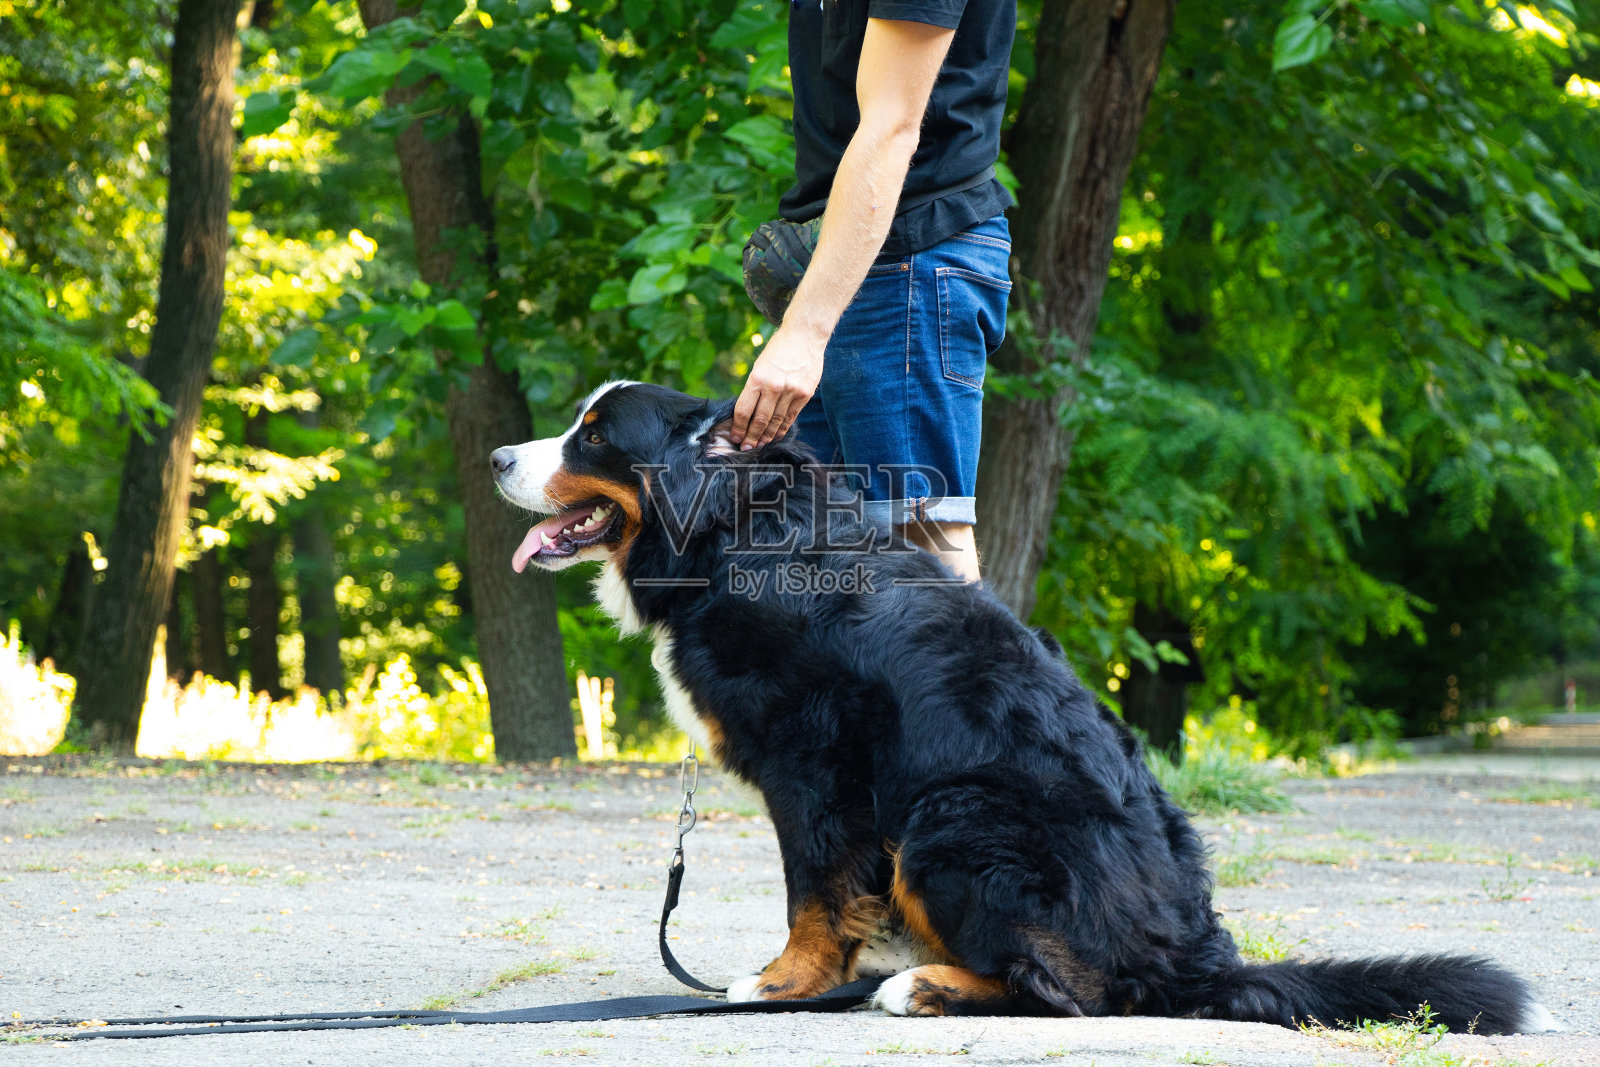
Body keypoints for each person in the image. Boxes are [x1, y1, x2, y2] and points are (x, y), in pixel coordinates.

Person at [728, 0, 1017, 583]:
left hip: (912, 255)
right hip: (847, 264)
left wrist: (804, 334)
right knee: (796, 550)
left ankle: (972, 656)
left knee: (916, 539)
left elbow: (891, 128)